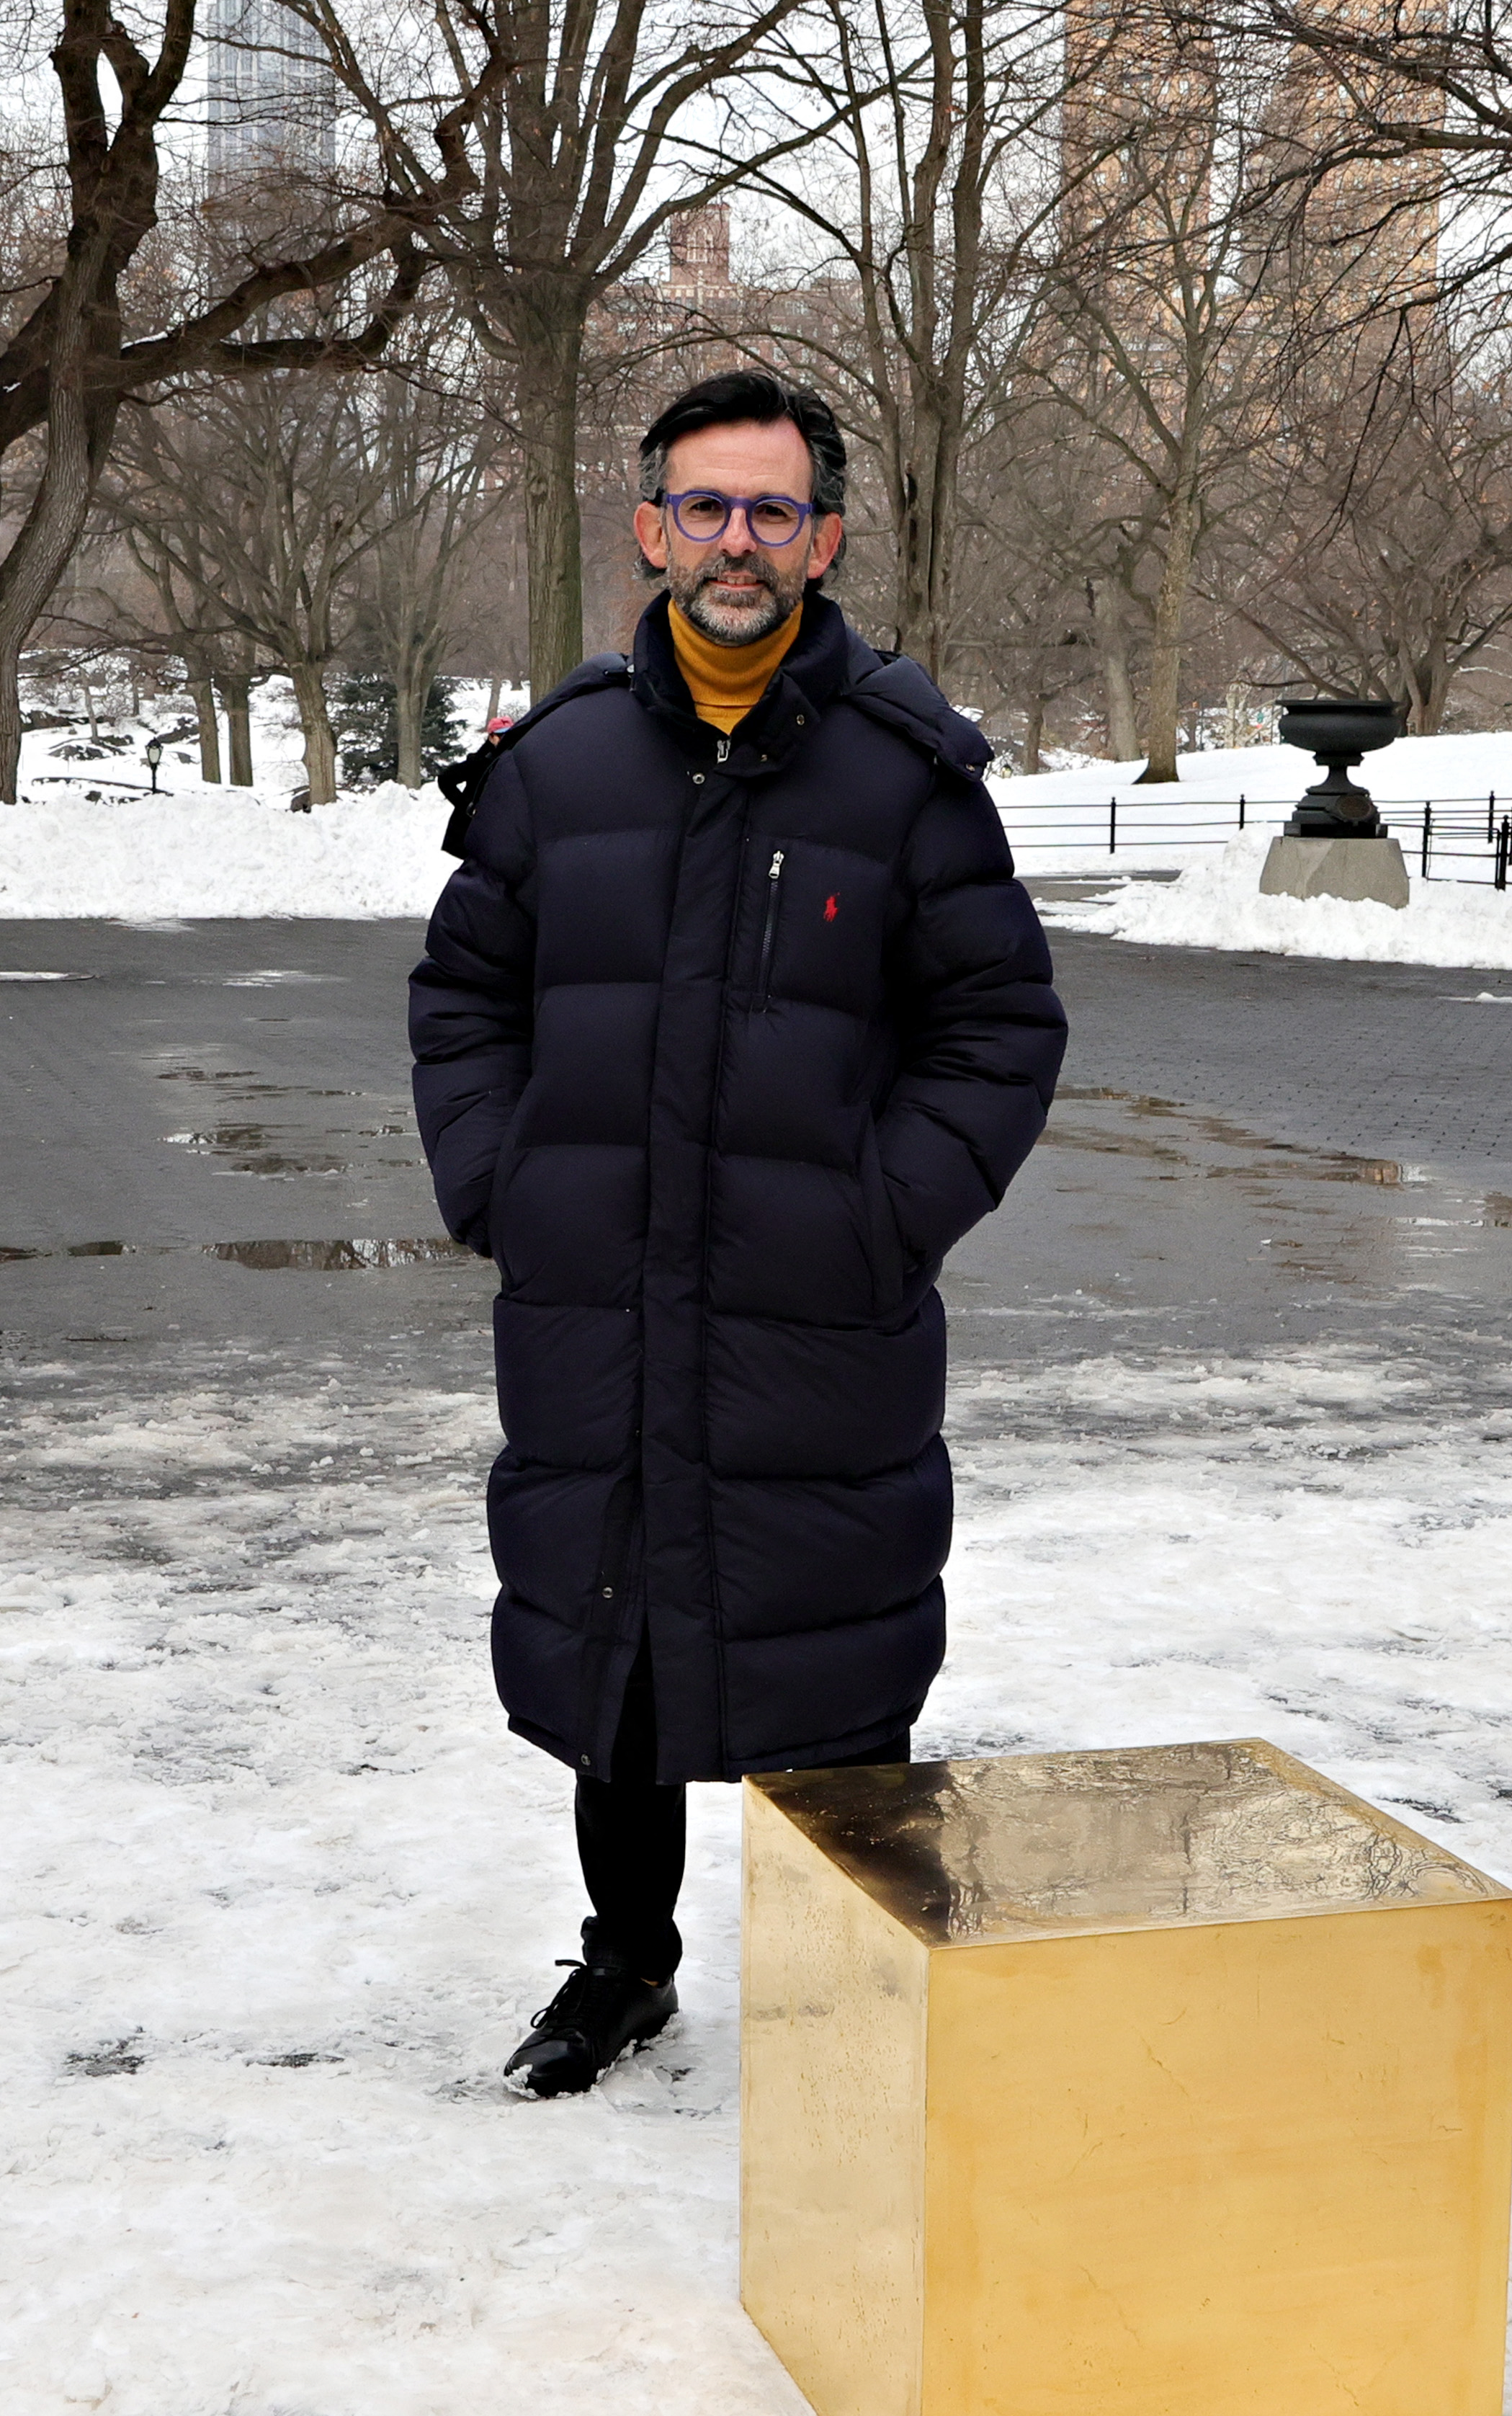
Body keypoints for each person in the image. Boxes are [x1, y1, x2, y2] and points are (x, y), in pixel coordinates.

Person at [410, 369, 1066, 2098]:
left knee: (830, 1647)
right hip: (597, 1303)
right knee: (613, 1632)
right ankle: (626, 1962)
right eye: (704, 506)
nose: (736, 541)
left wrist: (887, 1212)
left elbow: (999, 1027)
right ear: (651, 527)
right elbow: (463, 996)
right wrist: (499, 1179)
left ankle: (854, 1996)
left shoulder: (909, 775)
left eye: (772, 511)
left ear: (823, 540)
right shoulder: (556, 768)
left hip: (813, 1313)